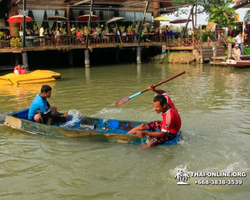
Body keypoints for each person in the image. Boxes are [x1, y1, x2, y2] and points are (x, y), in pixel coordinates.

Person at [127, 85, 181, 149]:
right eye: (154, 106)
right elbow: (163, 92)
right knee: (142, 126)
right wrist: (155, 90)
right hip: (164, 123)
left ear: (164, 105)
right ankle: (126, 136)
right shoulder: (166, 100)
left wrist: (146, 133)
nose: (155, 109)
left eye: (157, 107)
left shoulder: (169, 117)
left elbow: (162, 134)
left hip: (171, 132)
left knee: (150, 144)